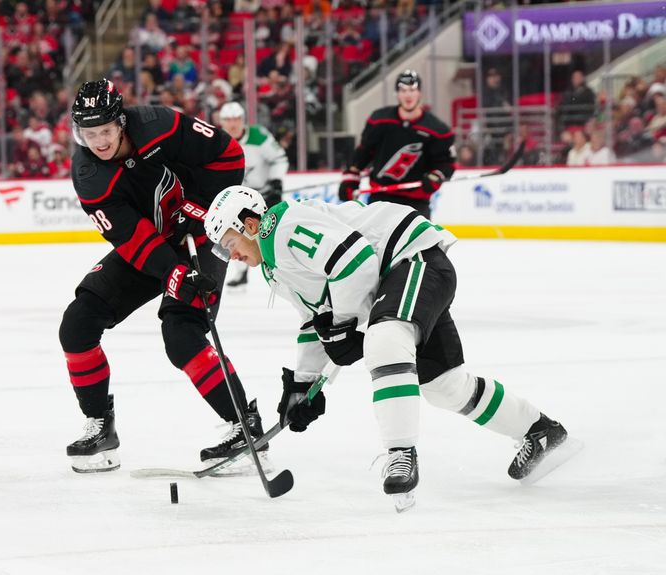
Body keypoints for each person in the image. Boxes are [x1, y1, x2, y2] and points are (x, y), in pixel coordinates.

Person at [203, 186, 573, 512]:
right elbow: (313, 319)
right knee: (444, 387)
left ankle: (400, 454)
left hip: (412, 259)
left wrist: (346, 325)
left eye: (229, 243)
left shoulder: (283, 229)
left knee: (383, 337)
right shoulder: (273, 266)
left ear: (251, 224)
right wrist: (301, 384)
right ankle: (539, 431)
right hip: (397, 279)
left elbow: (355, 262)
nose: (229, 255)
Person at [60, 78, 268, 473]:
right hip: (153, 246)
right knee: (77, 323)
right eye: (89, 134)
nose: (99, 142)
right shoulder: (88, 174)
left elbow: (227, 155)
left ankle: (244, 423)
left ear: (121, 122)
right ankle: (101, 426)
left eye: (105, 131)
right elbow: (132, 238)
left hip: (204, 235)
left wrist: (205, 211)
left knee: (181, 333)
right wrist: (174, 272)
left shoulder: (160, 125)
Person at [338, 70, 455, 219]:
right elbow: (364, 152)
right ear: (397, 93)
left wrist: (436, 176)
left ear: (420, 93)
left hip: (416, 202)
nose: (408, 95)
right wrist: (351, 177)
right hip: (380, 199)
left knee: (421, 243)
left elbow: (446, 164)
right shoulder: (379, 120)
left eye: (412, 90)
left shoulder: (437, 129)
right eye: (403, 90)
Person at [218, 101, 288, 287]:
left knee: (272, 231)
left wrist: (276, 182)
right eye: (228, 120)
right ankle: (240, 272)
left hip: (265, 194)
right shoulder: (217, 140)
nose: (233, 124)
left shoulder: (258, 135)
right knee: (234, 234)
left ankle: (280, 267)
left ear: (243, 120)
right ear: (221, 121)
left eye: (237, 119)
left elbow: (279, 159)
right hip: (237, 200)